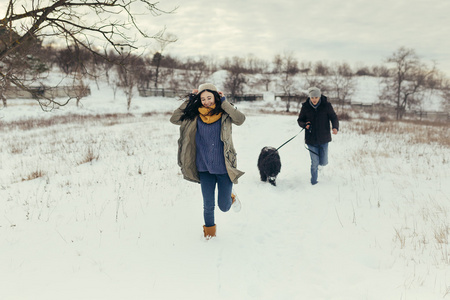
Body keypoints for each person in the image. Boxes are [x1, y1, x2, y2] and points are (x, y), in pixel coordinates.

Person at [170, 83, 246, 239]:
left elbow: (240, 119)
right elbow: (174, 118)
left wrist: (224, 102)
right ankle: (209, 235)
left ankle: (230, 196)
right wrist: (190, 101)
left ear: (215, 97)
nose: (206, 101)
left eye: (209, 98)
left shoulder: (225, 113)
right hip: (204, 168)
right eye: (202, 99)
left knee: (224, 207)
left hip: (224, 168)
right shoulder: (193, 115)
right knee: (208, 205)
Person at [297, 87, 339, 185]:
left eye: (316, 97)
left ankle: (320, 167)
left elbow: (333, 117)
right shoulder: (305, 106)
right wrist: (304, 125)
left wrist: (335, 127)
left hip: (324, 138)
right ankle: (314, 181)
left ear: (319, 97)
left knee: (323, 162)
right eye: (312, 97)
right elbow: (300, 120)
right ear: (310, 98)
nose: (314, 99)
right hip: (311, 139)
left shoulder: (326, 106)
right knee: (314, 162)